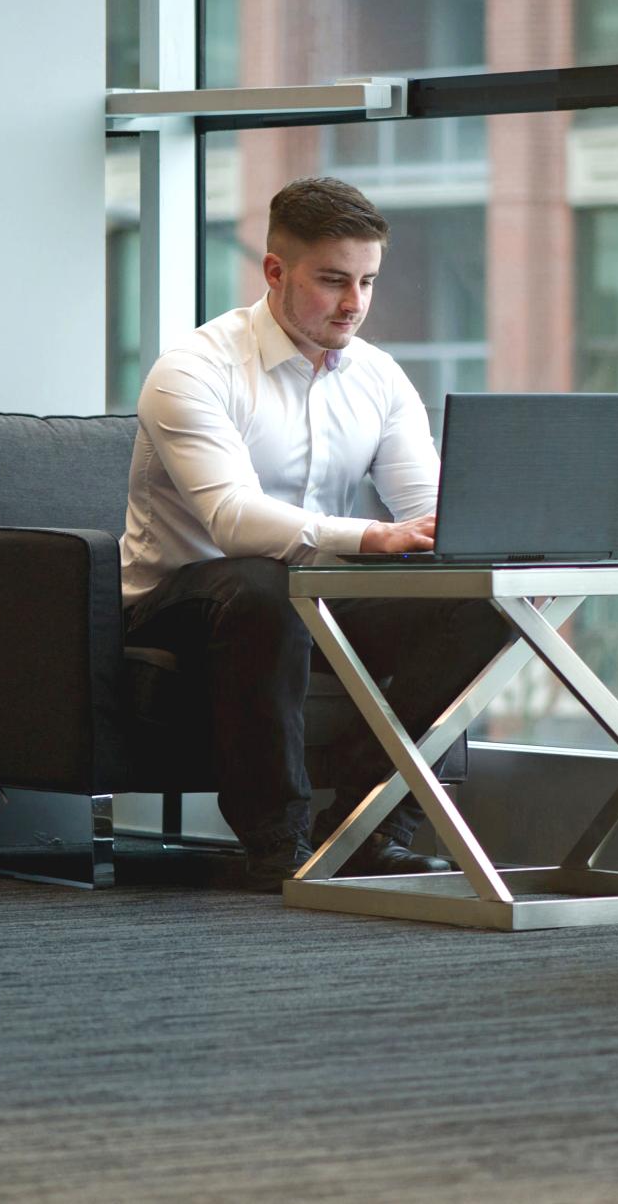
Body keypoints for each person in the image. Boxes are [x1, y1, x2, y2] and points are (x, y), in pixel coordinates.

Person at [121, 177, 510, 890]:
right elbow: (232, 520)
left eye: (367, 281)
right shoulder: (193, 372)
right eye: (333, 281)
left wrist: (489, 540)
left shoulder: (380, 378)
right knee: (266, 585)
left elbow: (427, 512)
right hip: (186, 601)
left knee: (483, 597)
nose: (354, 303)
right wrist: (372, 537)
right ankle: (277, 840)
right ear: (275, 271)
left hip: (316, 598)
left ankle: (367, 818)